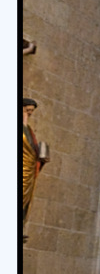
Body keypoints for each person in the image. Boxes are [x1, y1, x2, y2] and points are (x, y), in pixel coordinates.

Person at [22, 98, 48, 236]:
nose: (30, 113)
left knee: (24, 198)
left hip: (28, 171)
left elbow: (32, 152)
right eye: (27, 110)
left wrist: (41, 159)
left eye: (31, 111)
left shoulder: (29, 131)